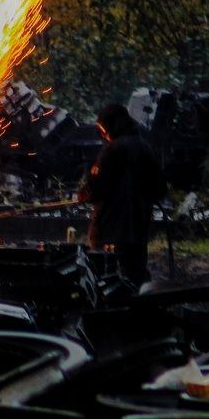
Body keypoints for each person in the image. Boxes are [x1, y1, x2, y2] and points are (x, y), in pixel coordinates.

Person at [78, 103, 167, 286]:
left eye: (103, 128)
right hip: (138, 230)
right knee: (135, 277)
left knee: (104, 278)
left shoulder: (112, 150)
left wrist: (83, 191)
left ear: (111, 125)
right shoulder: (145, 147)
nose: (102, 134)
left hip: (109, 230)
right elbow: (160, 189)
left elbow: (95, 189)